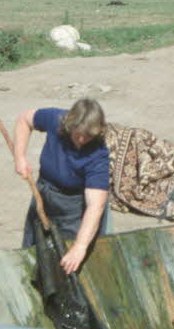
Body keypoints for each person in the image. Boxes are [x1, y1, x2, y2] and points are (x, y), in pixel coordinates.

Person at [13, 98, 110, 274]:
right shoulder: (56, 119)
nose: (82, 139)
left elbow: (95, 206)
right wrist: (19, 156)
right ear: (69, 124)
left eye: (88, 136)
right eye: (78, 134)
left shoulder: (98, 155)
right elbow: (24, 119)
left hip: (74, 208)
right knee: (34, 251)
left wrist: (79, 246)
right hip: (44, 193)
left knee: (67, 263)